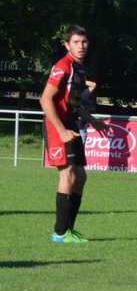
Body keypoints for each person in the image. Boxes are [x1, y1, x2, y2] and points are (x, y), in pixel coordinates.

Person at [40, 25, 113, 243]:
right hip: (58, 126)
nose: (81, 46)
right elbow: (45, 99)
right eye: (76, 42)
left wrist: (93, 121)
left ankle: (69, 230)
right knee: (68, 175)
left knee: (80, 177)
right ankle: (60, 233)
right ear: (66, 45)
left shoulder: (80, 69)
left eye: (84, 42)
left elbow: (72, 105)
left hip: (70, 123)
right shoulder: (63, 66)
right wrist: (61, 130)